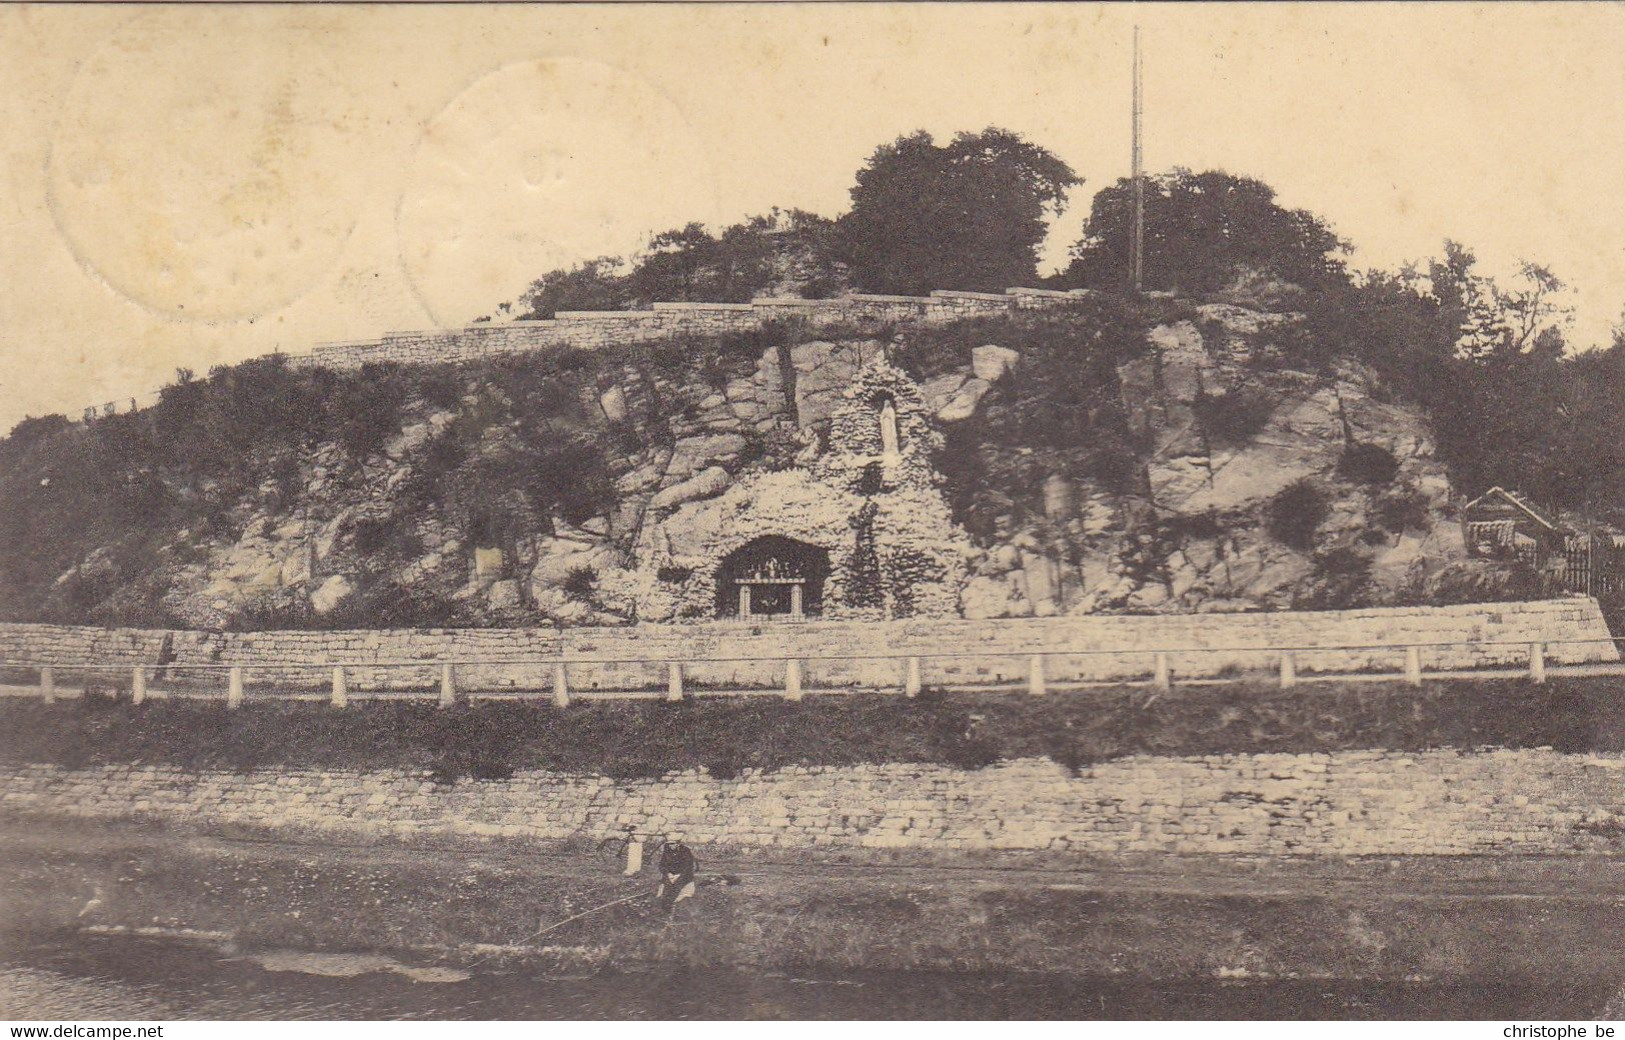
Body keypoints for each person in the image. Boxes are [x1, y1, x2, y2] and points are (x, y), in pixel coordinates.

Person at [655, 838, 697, 910]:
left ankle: (673, 907)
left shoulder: (685, 851)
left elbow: (688, 867)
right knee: (666, 887)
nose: (671, 846)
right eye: (669, 844)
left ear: (678, 844)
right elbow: (662, 864)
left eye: (673, 844)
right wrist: (668, 873)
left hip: (683, 875)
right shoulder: (667, 850)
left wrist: (678, 876)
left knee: (677, 888)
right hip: (670, 874)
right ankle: (663, 909)